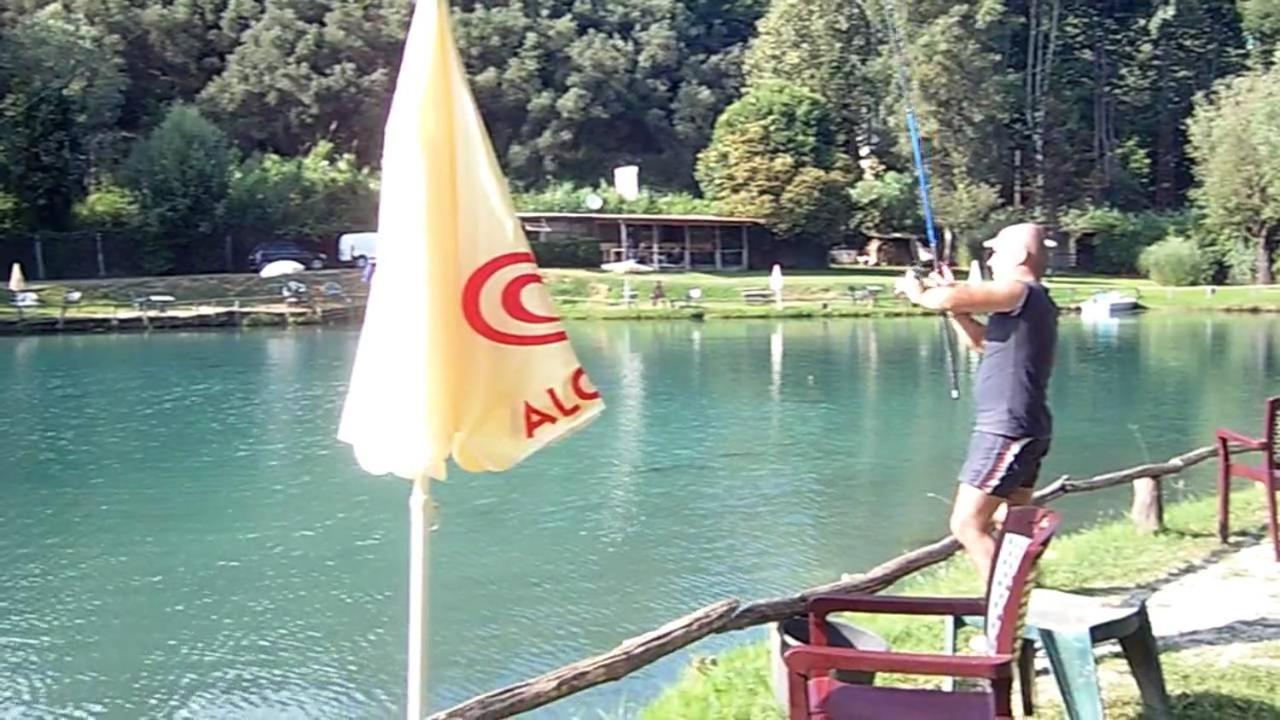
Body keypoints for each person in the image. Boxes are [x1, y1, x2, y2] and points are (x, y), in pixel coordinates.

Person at [895, 222, 1059, 583]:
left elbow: (945, 298)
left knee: (967, 524)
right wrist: (956, 309)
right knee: (1011, 521)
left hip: (1005, 428)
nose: (991, 259)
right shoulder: (1031, 301)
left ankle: (1000, 622)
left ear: (1018, 256)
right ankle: (1030, 598)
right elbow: (983, 343)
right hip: (1024, 425)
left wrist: (919, 292)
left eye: (996, 252)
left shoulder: (1021, 291)